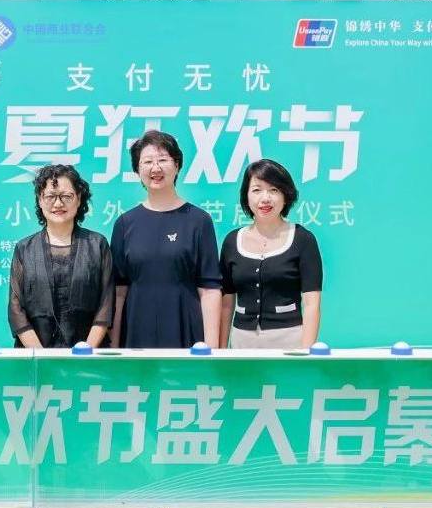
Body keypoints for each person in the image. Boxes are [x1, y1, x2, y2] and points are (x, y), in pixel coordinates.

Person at [109, 130, 222, 349]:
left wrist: (212, 350)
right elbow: (119, 292)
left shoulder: (199, 220)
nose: (155, 168)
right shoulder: (124, 223)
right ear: (137, 170)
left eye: (163, 160)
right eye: (147, 162)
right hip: (136, 329)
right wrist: (114, 348)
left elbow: (209, 289)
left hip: (186, 330)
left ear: (177, 165)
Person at [218, 159, 323, 349]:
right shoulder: (232, 241)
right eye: (257, 190)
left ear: (286, 195)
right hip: (242, 342)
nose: (265, 198)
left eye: (274, 190)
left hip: (290, 341)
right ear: (246, 196)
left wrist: (306, 353)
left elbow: (311, 304)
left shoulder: (303, 239)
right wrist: (221, 351)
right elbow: (226, 304)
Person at [8, 164, 114, 348]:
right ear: (40, 200)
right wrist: (41, 357)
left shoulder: (97, 245)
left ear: (79, 199)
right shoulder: (24, 249)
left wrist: (85, 353)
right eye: (50, 196)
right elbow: (16, 309)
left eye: (66, 196)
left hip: (88, 356)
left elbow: (105, 305)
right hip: (35, 357)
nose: (58, 204)